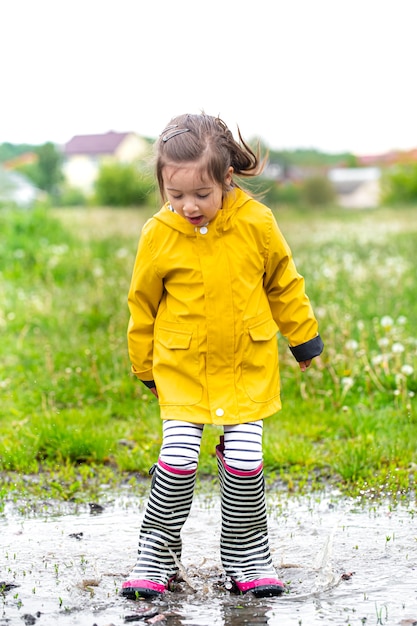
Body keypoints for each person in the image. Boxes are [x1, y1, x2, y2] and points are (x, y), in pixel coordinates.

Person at [121, 113, 324, 600]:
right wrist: (144, 365)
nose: (188, 206)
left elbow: (283, 282)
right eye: (176, 195)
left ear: (226, 178)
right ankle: (157, 555)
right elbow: (141, 304)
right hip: (182, 368)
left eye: (201, 195)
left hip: (246, 368)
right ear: (163, 186)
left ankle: (247, 555)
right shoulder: (158, 234)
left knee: (246, 459)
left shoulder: (257, 222)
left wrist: (303, 337)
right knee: (178, 459)